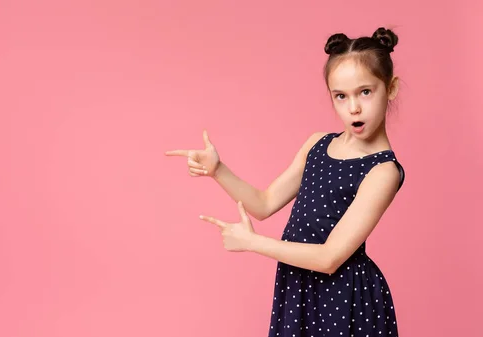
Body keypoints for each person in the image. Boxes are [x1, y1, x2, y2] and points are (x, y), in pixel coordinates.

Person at [165, 27, 405, 336]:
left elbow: (330, 257)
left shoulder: (383, 171)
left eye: (366, 92)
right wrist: (218, 170)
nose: (354, 108)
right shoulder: (317, 144)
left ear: (391, 88)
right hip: (299, 285)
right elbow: (263, 204)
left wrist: (253, 243)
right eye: (341, 96)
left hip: (346, 297)